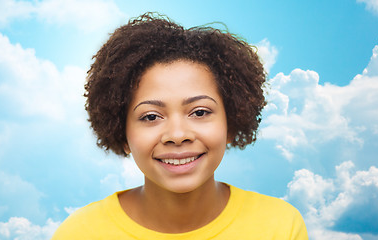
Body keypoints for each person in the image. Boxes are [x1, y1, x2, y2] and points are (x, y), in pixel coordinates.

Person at [52, 12, 308, 239]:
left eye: (199, 112)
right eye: (151, 117)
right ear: (121, 133)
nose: (177, 135)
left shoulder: (280, 227)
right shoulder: (80, 233)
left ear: (232, 123)